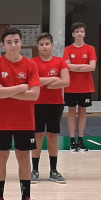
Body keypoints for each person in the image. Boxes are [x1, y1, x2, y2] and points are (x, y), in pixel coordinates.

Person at [0, 27, 42, 200]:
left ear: (21, 43)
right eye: (9, 42)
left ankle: (26, 199)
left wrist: (6, 91)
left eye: (16, 41)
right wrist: (21, 87)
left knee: (24, 158)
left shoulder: (30, 65)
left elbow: (34, 94)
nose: (13, 45)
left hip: (25, 121)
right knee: (0, 158)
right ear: (3, 44)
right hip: (1, 120)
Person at [31, 33, 70, 184]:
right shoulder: (33, 63)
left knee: (53, 135)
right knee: (38, 135)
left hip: (56, 103)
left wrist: (44, 82)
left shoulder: (60, 62)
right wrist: (54, 79)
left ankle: (54, 170)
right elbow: (33, 81)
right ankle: (35, 170)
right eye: (41, 44)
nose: (44, 47)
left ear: (52, 46)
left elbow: (66, 81)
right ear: (38, 47)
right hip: (37, 103)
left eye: (47, 44)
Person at [63, 22, 97, 151]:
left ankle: (81, 140)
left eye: (81, 31)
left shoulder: (90, 49)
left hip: (86, 86)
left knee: (83, 112)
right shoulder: (68, 49)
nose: (79, 34)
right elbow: (67, 66)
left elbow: (92, 67)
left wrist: (75, 67)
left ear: (84, 33)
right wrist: (83, 67)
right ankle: (72, 140)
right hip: (71, 86)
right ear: (73, 34)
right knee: (71, 112)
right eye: (77, 31)